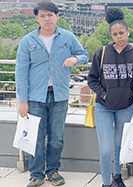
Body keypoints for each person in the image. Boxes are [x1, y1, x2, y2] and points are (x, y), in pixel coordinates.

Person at [15, 2, 89, 187]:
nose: (47, 19)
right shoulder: (28, 41)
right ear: (37, 18)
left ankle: (53, 171)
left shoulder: (67, 37)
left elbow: (84, 55)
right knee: (36, 138)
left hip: (60, 96)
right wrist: (22, 101)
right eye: (43, 15)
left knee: (56, 137)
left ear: (57, 16)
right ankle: (36, 174)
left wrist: (75, 59)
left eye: (50, 15)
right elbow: (21, 72)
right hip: (35, 97)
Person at [87, 7, 133, 187]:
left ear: (127, 32)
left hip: (126, 107)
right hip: (103, 108)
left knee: (120, 144)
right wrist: (104, 94)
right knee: (105, 149)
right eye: (115, 34)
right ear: (111, 35)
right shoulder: (102, 52)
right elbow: (91, 79)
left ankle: (117, 176)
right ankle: (106, 183)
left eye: (121, 32)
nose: (119, 36)